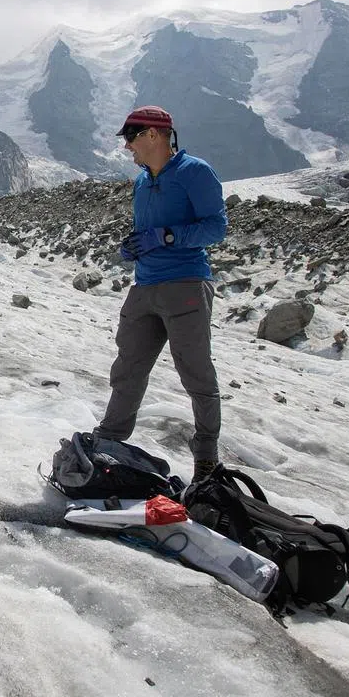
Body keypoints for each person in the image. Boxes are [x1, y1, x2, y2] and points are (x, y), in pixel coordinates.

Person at [94, 105, 228, 483]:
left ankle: (206, 458)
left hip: (185, 284)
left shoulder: (194, 172)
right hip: (145, 285)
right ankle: (109, 440)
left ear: (153, 134)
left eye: (131, 137)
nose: (127, 146)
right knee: (128, 368)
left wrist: (167, 236)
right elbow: (148, 230)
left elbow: (216, 227)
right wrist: (134, 246)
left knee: (196, 373)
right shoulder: (141, 181)